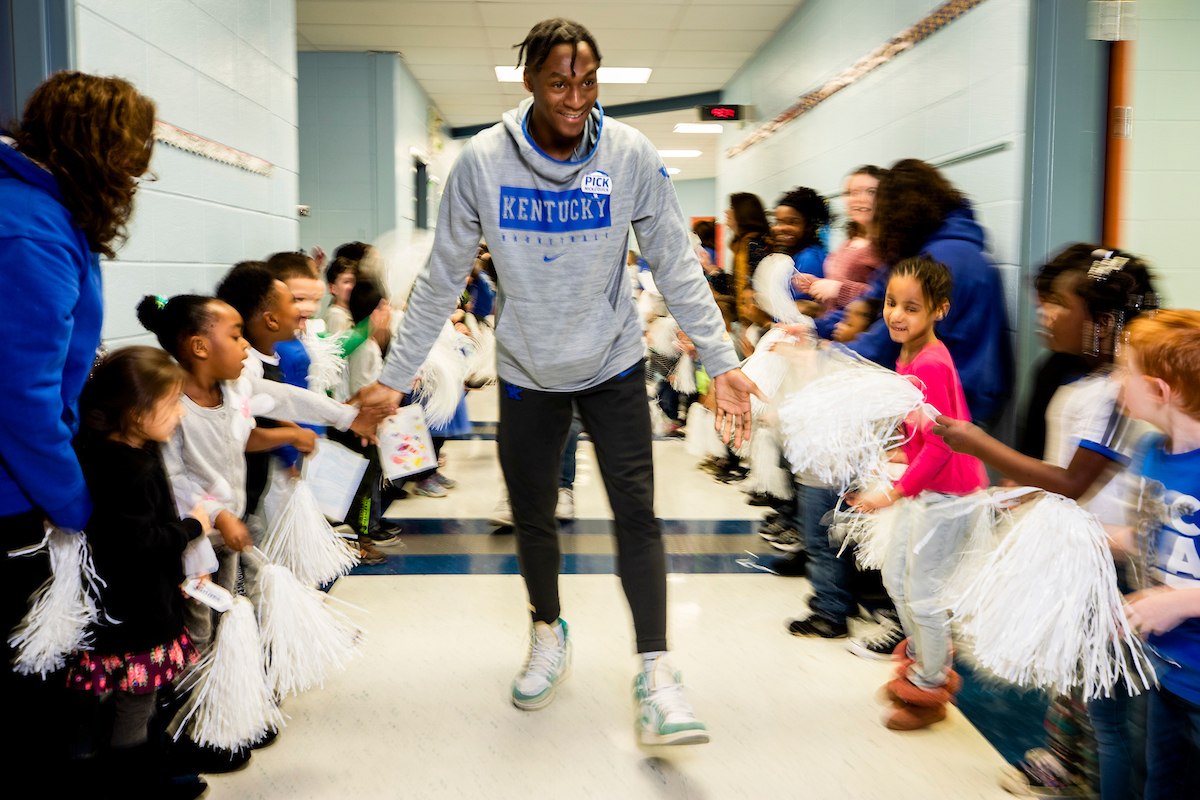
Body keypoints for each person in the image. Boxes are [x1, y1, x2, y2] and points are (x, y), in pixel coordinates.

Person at [353, 17, 763, 745]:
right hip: (527, 372)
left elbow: (673, 260)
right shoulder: (482, 161)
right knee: (534, 514)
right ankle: (548, 629)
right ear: (529, 83)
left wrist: (723, 360)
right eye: (559, 82)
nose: (575, 97)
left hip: (611, 365)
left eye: (588, 81)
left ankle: (658, 670)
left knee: (639, 513)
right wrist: (395, 375)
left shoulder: (631, 154)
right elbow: (443, 276)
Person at [934, 246, 1156, 798]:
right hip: (1082, 555)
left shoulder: (1121, 394)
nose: (1044, 315)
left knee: (1111, 715)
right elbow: (1065, 473)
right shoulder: (1086, 381)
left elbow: (1078, 481)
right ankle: (1070, 766)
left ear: (1102, 321)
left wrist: (982, 444)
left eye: (1057, 304)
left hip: (1114, 564)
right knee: (1079, 686)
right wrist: (1030, 491)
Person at [0, 71, 156, 784]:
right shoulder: (29, 230)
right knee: (25, 692)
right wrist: (78, 508)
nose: (136, 175)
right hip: (12, 497)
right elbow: (22, 400)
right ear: (96, 149)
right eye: (131, 157)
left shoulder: (41, 210)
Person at [137, 294, 389, 655]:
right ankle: (193, 697)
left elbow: (287, 398)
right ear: (200, 347)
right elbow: (173, 478)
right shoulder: (170, 407)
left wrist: (348, 417)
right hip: (190, 542)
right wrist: (220, 516)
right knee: (198, 627)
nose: (245, 347)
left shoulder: (234, 388)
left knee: (227, 613)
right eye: (236, 336)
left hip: (228, 532)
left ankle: (227, 687)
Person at [849, 256, 989, 731]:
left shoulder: (929, 362)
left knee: (923, 594)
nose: (896, 314)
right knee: (896, 579)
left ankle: (930, 686)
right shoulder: (907, 355)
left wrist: (893, 492)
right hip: (926, 489)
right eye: (891, 302)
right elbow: (916, 431)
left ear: (939, 311)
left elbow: (942, 446)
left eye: (911, 307)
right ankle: (928, 660)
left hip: (950, 494)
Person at [68, 347, 208, 798]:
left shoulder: (105, 456)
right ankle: (131, 778)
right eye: (171, 405)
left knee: (115, 697)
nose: (180, 415)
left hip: (121, 606)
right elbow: (137, 545)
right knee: (136, 697)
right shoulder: (128, 470)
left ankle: (119, 763)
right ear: (133, 412)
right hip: (136, 613)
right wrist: (192, 527)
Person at [816, 159, 1012, 426]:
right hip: (936, 394)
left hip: (956, 405)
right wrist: (811, 329)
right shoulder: (920, 247)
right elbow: (871, 300)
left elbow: (887, 340)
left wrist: (823, 358)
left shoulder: (946, 258)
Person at [1117, 310, 1200, 800]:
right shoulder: (1151, 451)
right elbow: (1150, 537)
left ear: (1159, 390)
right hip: (1166, 669)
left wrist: (1178, 603)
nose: (1115, 384)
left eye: (1123, 372)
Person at [805, 166, 885, 311]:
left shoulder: (887, 245)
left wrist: (839, 289)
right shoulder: (849, 242)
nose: (860, 199)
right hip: (834, 327)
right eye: (853, 193)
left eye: (871, 192)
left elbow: (887, 297)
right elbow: (838, 286)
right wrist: (817, 285)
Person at [726, 192, 772, 352]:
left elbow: (755, 288)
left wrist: (750, 323)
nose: (726, 212)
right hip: (746, 323)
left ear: (743, 213)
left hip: (755, 324)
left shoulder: (754, 245)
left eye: (731, 208)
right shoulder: (742, 245)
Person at [771, 186, 830, 305]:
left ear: (809, 226)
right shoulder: (795, 255)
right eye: (778, 221)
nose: (780, 228)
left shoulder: (809, 258)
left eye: (792, 222)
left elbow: (800, 309)